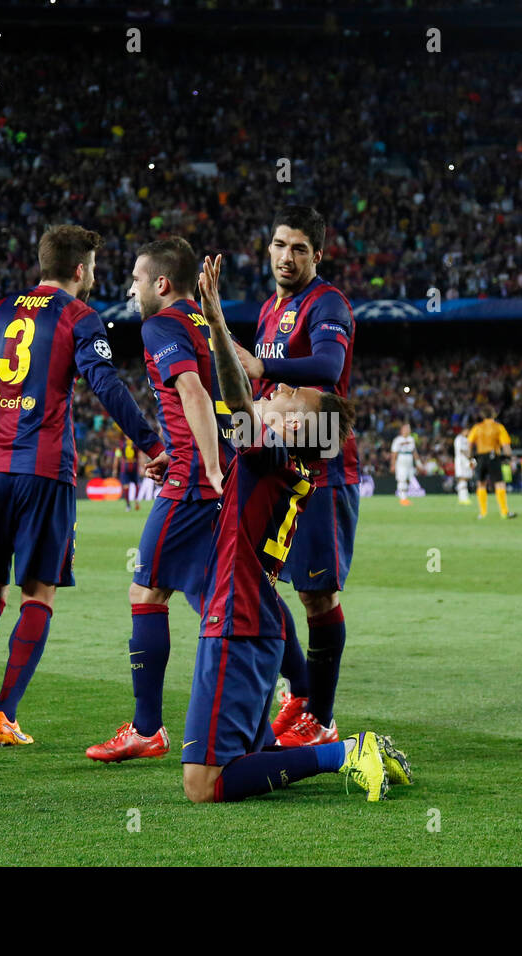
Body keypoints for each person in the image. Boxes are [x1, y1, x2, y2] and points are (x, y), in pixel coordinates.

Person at [180, 252, 411, 803]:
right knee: (247, 759)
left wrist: (215, 326)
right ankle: (347, 747)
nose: (275, 392)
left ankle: (346, 751)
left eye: (285, 397)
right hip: (253, 620)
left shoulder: (273, 455)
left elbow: (236, 398)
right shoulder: (288, 463)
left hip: (237, 621)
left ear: (296, 429)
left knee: (203, 785)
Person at [0, 224, 167, 747]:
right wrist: (153, 445)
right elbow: (104, 384)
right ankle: (4, 716)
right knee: (38, 592)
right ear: (81, 270)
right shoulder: (81, 317)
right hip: (44, 473)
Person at [87, 238, 235, 763]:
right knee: (223, 599)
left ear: (161, 284)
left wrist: (207, 464)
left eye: (135, 278)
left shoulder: (160, 325)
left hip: (196, 481)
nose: (129, 288)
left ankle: (148, 729)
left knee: (146, 591)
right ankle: (302, 697)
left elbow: (193, 392)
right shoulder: (202, 321)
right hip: (201, 468)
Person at [232, 206, 359, 748]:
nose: (287, 256)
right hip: (278, 464)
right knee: (262, 582)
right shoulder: (269, 308)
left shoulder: (327, 303)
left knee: (318, 596)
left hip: (322, 464)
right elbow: (262, 396)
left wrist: (264, 366)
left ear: (317, 255)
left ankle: (321, 718)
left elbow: (329, 368)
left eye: (299, 248)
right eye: (281, 244)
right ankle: (300, 692)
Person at [467, 407, 516, 519]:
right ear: (493, 415)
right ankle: (504, 512)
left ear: (483, 415)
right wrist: (508, 457)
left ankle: (483, 513)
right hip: (494, 456)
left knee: (481, 483)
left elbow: (469, 443)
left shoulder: (477, 428)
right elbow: (506, 445)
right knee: (499, 483)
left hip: (480, 457)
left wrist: (470, 457)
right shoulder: (498, 427)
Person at [390, 423, 420, 505]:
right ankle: (402, 498)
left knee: (408, 478)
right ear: (402, 430)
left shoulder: (411, 439)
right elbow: (394, 453)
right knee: (402, 478)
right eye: (406, 429)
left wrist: (418, 463)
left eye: (409, 429)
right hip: (401, 458)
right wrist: (393, 464)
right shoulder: (397, 440)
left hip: (409, 459)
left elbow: (414, 452)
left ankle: (405, 497)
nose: (408, 430)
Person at [453, 424, 473, 504]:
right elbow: (461, 450)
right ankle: (463, 498)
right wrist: (469, 457)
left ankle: (463, 496)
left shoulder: (466, 439)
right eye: (468, 431)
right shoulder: (459, 439)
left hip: (465, 461)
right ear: (464, 431)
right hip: (461, 461)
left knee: (465, 478)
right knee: (462, 478)